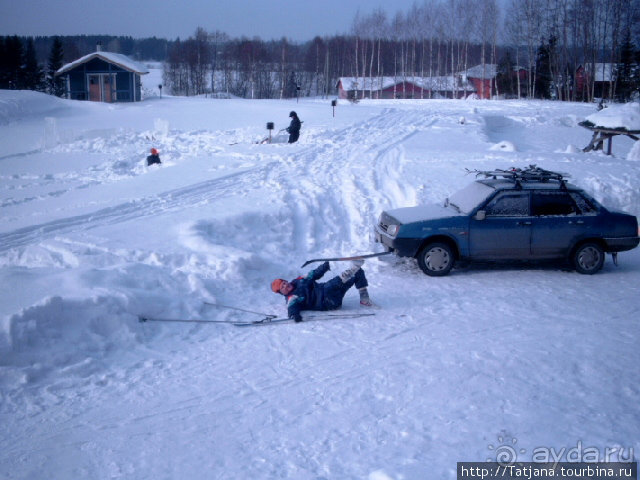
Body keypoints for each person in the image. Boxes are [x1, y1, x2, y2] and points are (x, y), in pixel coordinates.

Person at [271, 260, 373, 322]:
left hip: (334, 293)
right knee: (327, 287)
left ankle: (364, 299)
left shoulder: (298, 280)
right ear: (281, 293)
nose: (285, 285)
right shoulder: (291, 298)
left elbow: (313, 274)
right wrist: (295, 315)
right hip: (328, 302)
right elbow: (292, 308)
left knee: (358, 273)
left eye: (284, 283)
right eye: (282, 287)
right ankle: (347, 273)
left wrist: (325, 266)